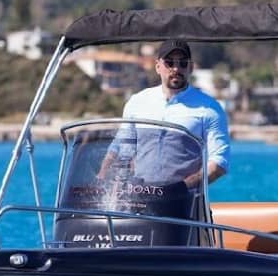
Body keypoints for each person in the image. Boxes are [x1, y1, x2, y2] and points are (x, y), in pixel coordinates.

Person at [97, 39, 230, 188]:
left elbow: (219, 162)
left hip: (184, 203)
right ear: (158, 67)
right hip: (139, 199)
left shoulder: (210, 108)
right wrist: (101, 180)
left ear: (190, 68)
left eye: (183, 63)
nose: (176, 69)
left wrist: (182, 188)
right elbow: (121, 148)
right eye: (169, 62)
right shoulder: (136, 102)